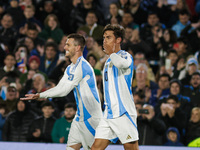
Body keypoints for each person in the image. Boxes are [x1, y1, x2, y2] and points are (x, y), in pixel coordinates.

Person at [20, 33, 102, 150]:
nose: (64, 47)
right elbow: (59, 87)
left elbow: (63, 91)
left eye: (68, 45)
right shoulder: (70, 68)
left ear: (77, 47)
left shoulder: (83, 67)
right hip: (79, 117)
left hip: (91, 119)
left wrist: (41, 95)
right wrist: (39, 94)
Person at [91, 24, 139, 150]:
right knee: (95, 148)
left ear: (118, 40)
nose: (104, 41)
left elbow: (122, 64)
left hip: (123, 112)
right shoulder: (107, 62)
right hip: (108, 113)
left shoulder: (125, 56)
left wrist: (111, 53)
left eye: (108, 37)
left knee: (131, 148)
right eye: (104, 38)